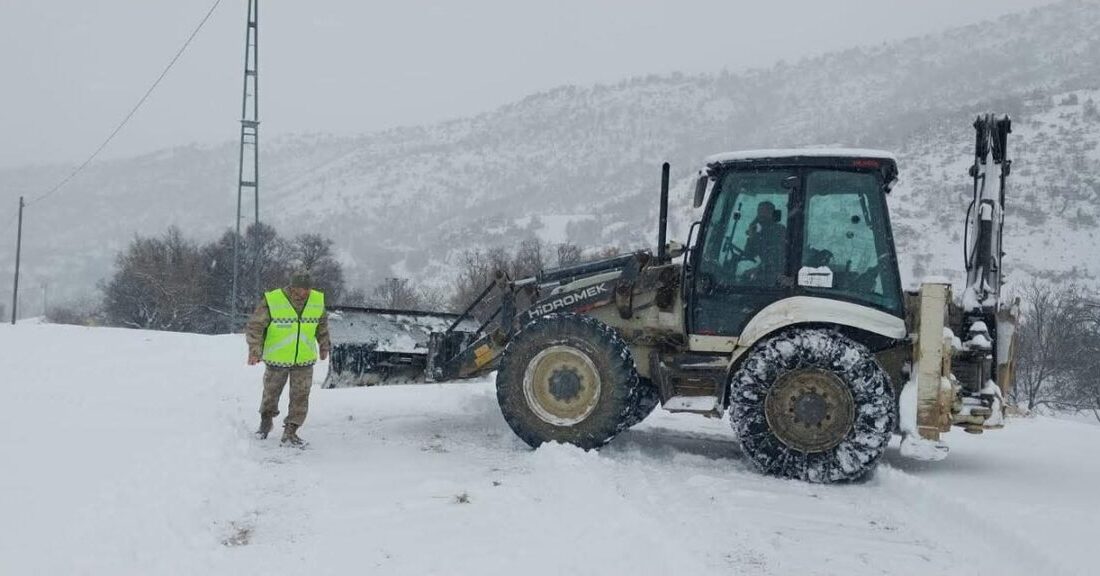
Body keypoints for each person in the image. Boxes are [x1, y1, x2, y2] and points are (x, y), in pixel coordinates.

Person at [245, 270, 330, 446]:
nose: (306, 292)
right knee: (271, 394)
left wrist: (324, 345)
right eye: (302, 288)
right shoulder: (273, 300)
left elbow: (322, 325)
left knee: (301, 396)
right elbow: (256, 326)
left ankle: (291, 431)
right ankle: (266, 422)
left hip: (304, 359)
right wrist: (254, 350)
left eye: (308, 288)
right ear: (292, 287)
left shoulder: (316, 300)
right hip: (277, 358)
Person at [742, 200, 788, 286]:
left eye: (765, 212)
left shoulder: (779, 231)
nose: (761, 215)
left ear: (772, 214)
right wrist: (752, 236)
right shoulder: (761, 233)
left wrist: (758, 270)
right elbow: (749, 254)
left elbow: (774, 260)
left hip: (779, 276)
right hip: (768, 272)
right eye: (759, 212)